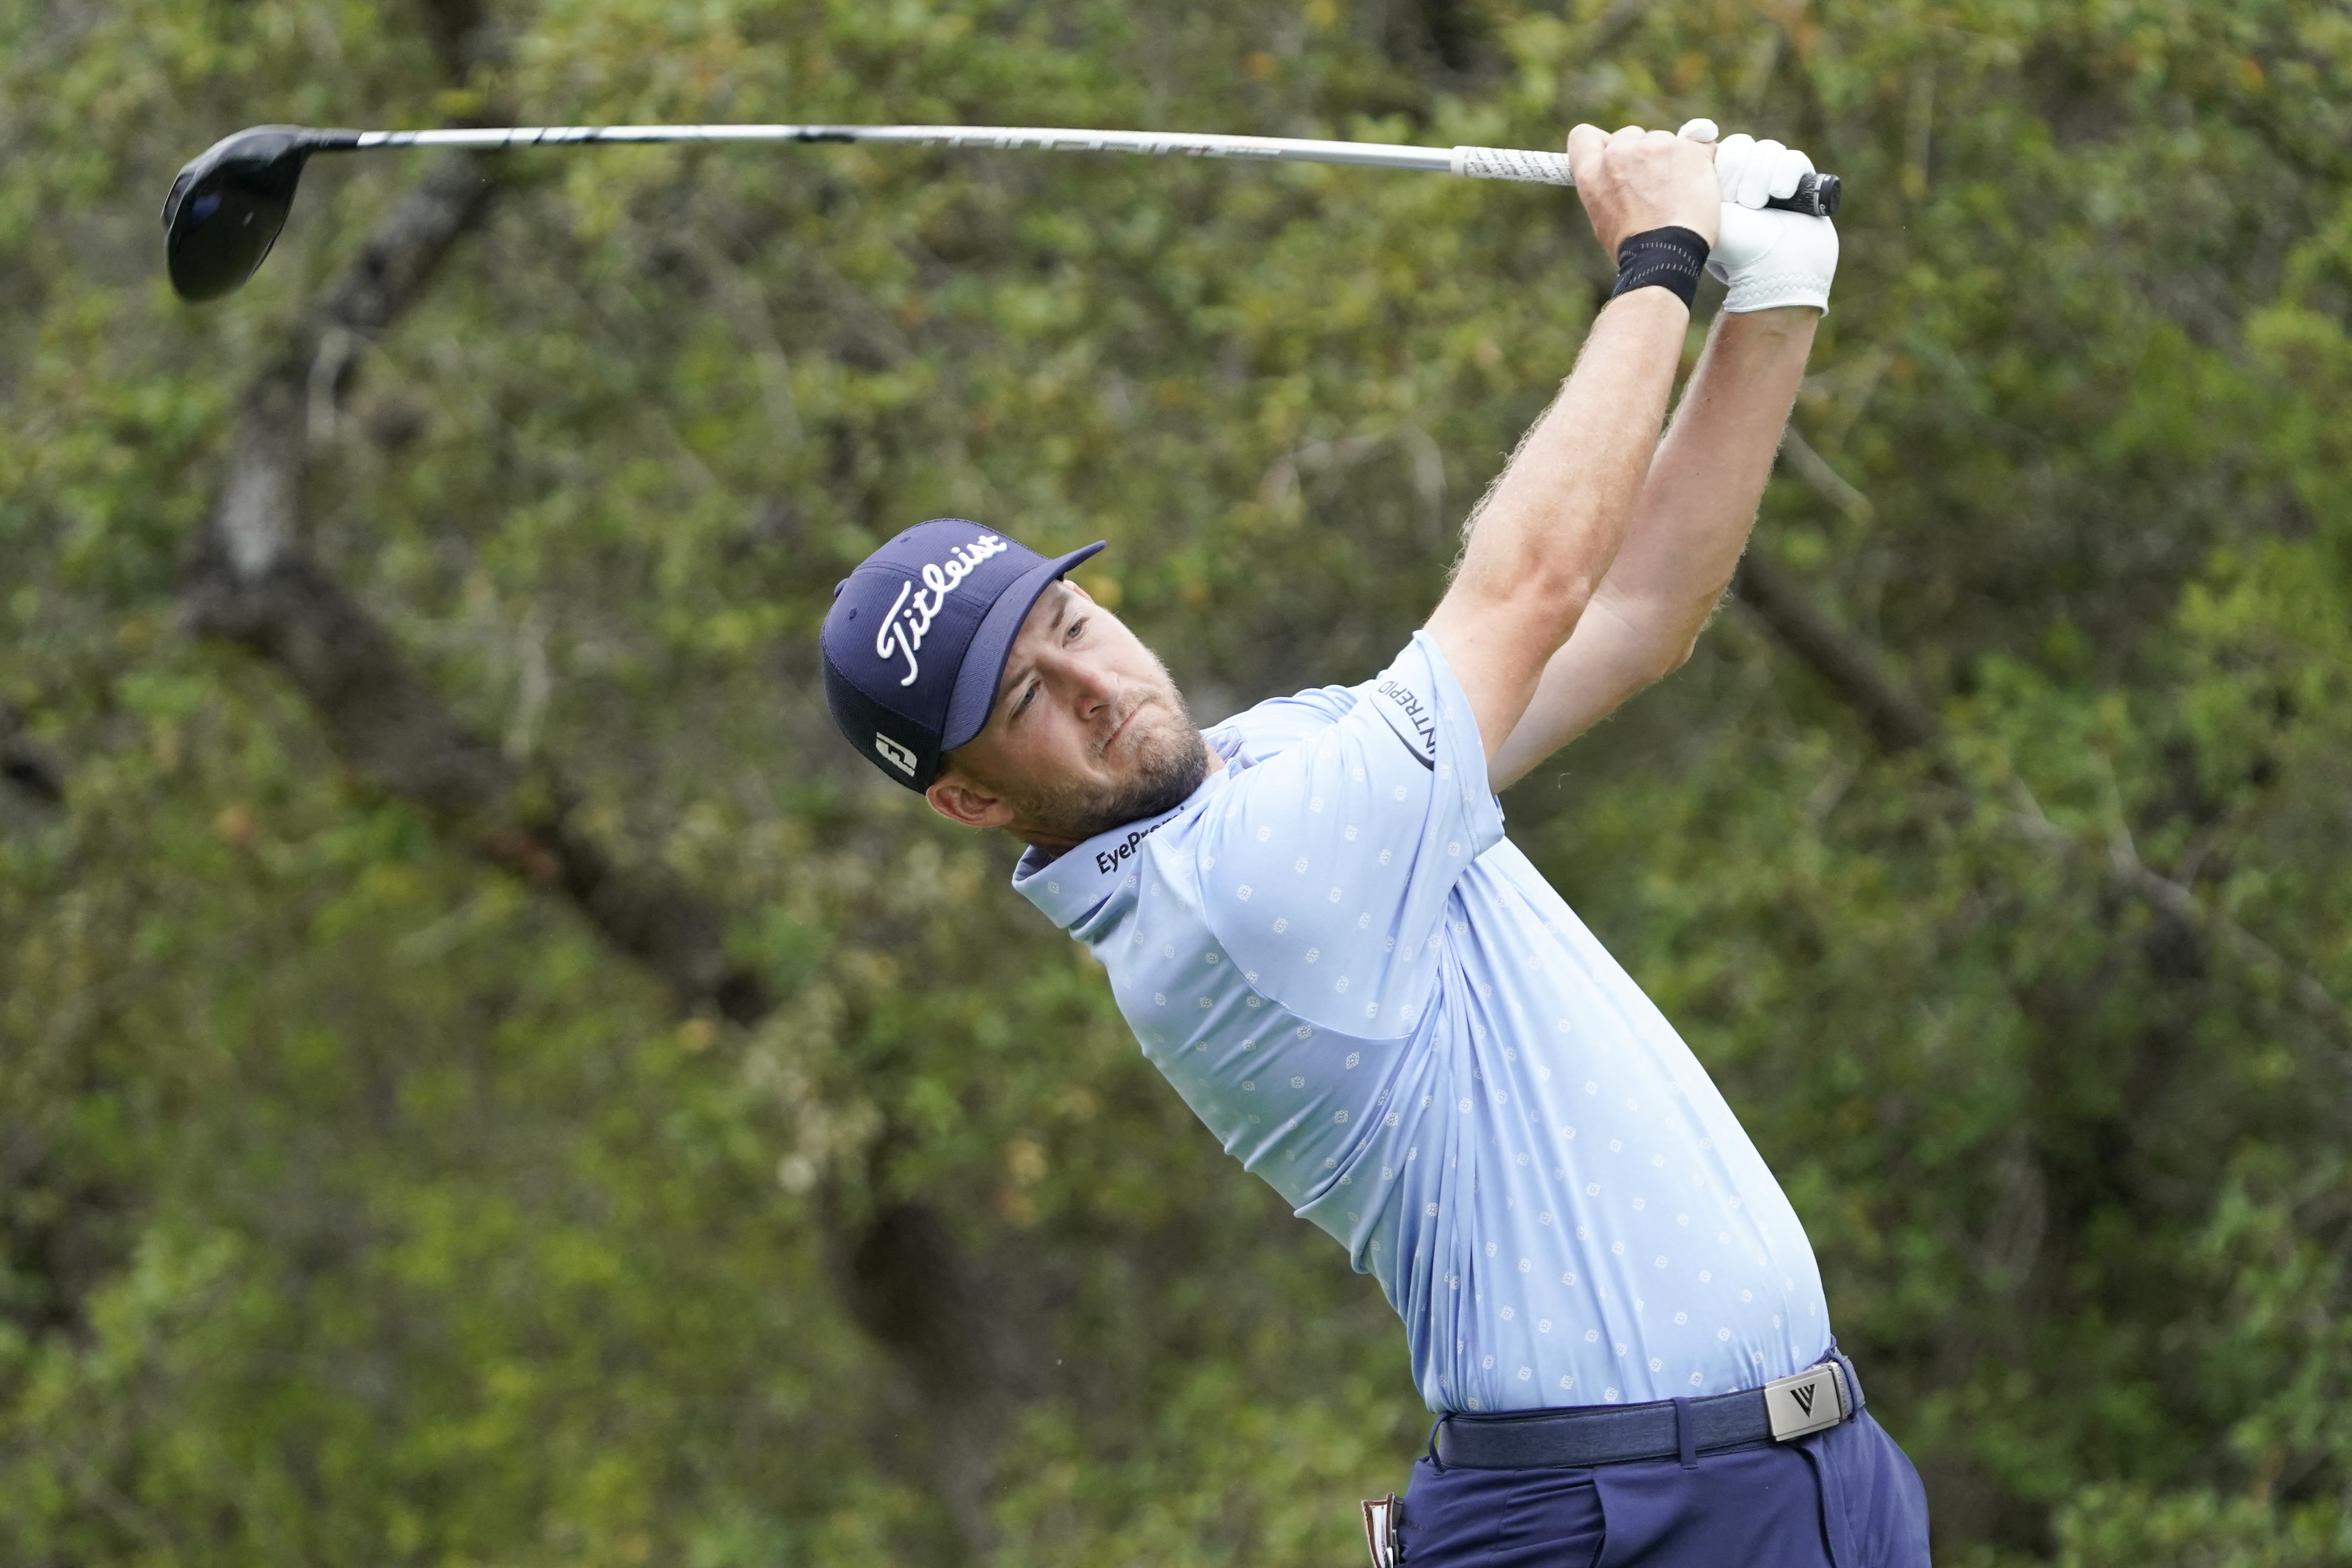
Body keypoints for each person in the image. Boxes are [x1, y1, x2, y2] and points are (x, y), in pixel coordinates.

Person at [819, 119, 1928, 1567]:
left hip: (1805, 1480)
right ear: (970, 800)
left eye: (1073, 625)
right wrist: (1659, 267)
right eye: (1030, 697)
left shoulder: (1280, 758)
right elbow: (1529, 585)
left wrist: (1772, 302)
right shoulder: (1238, 892)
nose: (1099, 685)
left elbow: (1633, 620)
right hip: (1621, 1522)